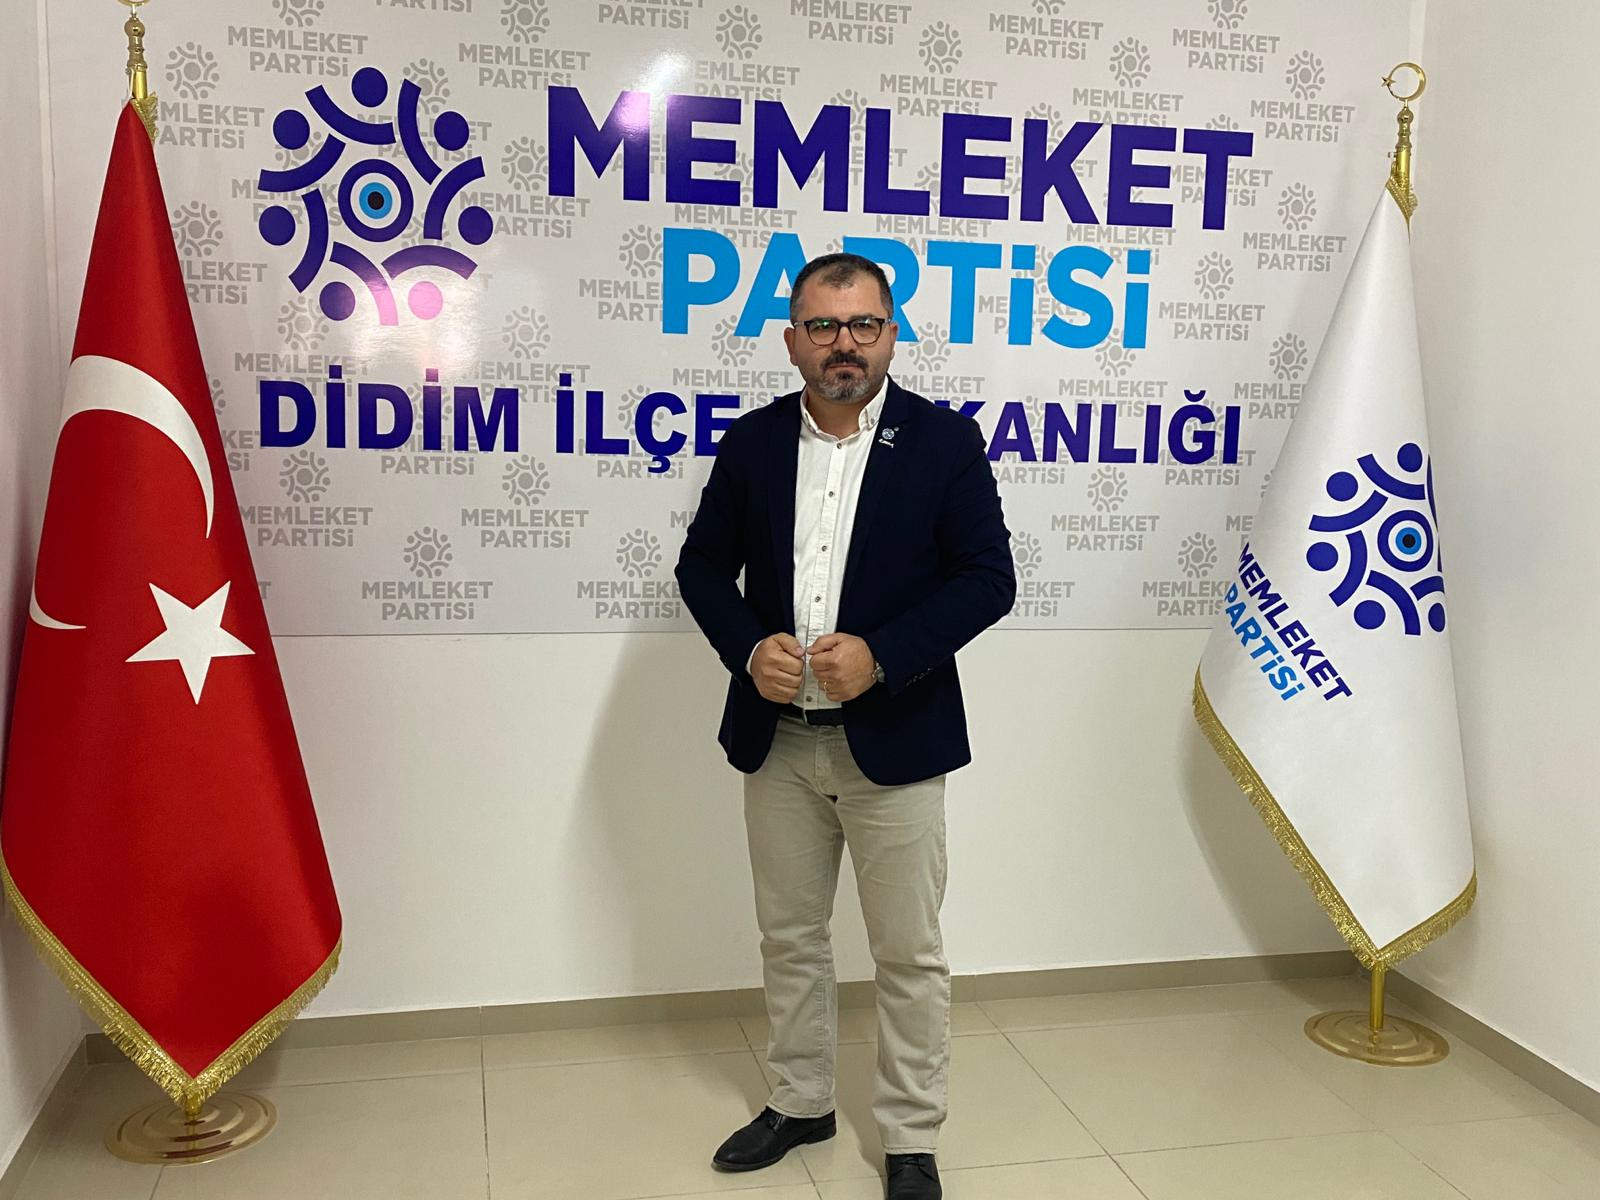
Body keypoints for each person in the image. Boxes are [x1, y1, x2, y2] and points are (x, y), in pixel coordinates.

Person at [675, 252, 1016, 1200]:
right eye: (823, 327)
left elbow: (989, 579)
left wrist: (885, 655)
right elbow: (701, 569)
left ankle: (909, 1135)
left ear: (891, 335)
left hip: (896, 741)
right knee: (790, 936)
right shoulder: (751, 444)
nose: (844, 345)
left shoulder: (944, 443)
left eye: (863, 325)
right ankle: (801, 1100)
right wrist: (749, 648)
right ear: (792, 341)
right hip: (778, 740)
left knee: (908, 950)